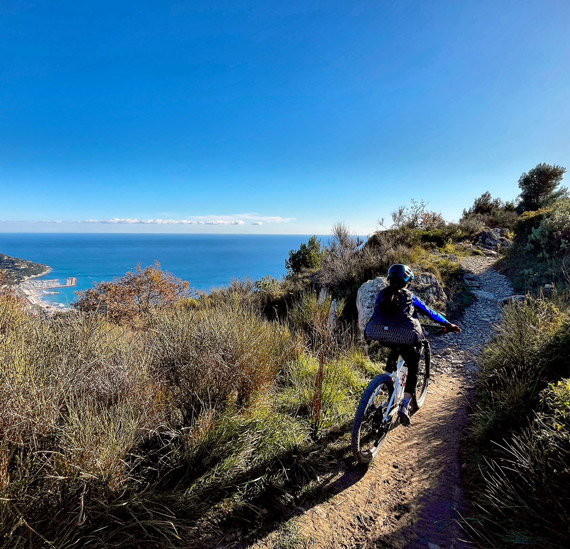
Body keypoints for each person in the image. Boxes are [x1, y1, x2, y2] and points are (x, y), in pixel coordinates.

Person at [366, 264, 461, 426]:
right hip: (404, 335)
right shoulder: (410, 297)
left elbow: (376, 315)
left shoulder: (381, 294)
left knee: (394, 344)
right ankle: (405, 404)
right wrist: (448, 324)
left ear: (389, 279)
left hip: (378, 333)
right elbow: (430, 313)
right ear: (407, 281)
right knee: (413, 364)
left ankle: (387, 378)